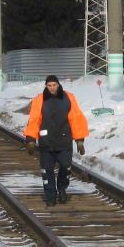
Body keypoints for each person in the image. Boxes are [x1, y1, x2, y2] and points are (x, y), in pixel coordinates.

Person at [24, 75, 89, 206]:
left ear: (58, 85)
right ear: (46, 86)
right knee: (47, 171)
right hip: (46, 143)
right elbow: (34, 120)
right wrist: (31, 140)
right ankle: (50, 196)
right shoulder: (39, 100)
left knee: (65, 167)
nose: (52, 88)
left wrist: (79, 140)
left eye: (54, 85)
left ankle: (62, 189)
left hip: (64, 141)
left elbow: (76, 119)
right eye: (49, 85)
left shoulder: (68, 98)